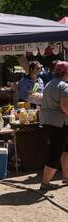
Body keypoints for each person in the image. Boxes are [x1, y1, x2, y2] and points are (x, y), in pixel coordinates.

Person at [39, 61, 68, 191]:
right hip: (59, 123)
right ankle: (45, 183)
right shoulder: (64, 86)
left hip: (50, 122)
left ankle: (66, 177)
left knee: (65, 150)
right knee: (55, 153)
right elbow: (65, 107)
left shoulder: (50, 83)